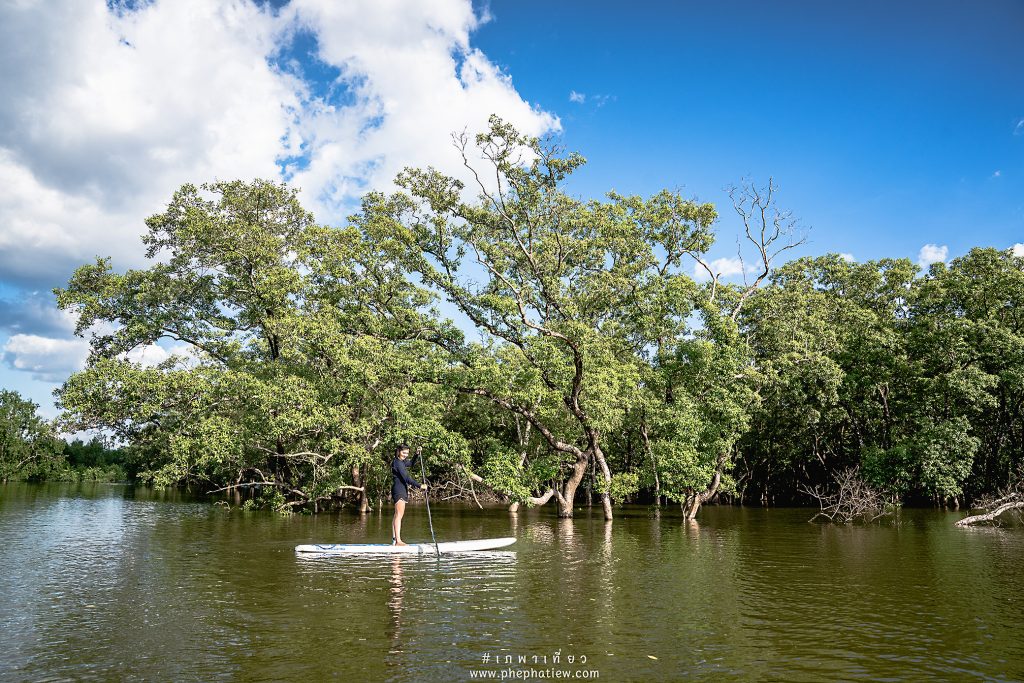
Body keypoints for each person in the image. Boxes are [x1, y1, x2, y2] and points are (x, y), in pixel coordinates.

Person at [391, 444, 427, 545]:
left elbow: (410, 464)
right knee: (399, 515)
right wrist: (420, 486)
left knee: (396, 515)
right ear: (398, 451)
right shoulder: (397, 463)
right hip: (399, 489)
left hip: (401, 489)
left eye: (407, 453)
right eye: (403, 453)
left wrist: (416, 454)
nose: (405, 455)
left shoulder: (401, 462)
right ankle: (398, 541)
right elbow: (406, 478)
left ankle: (394, 540)